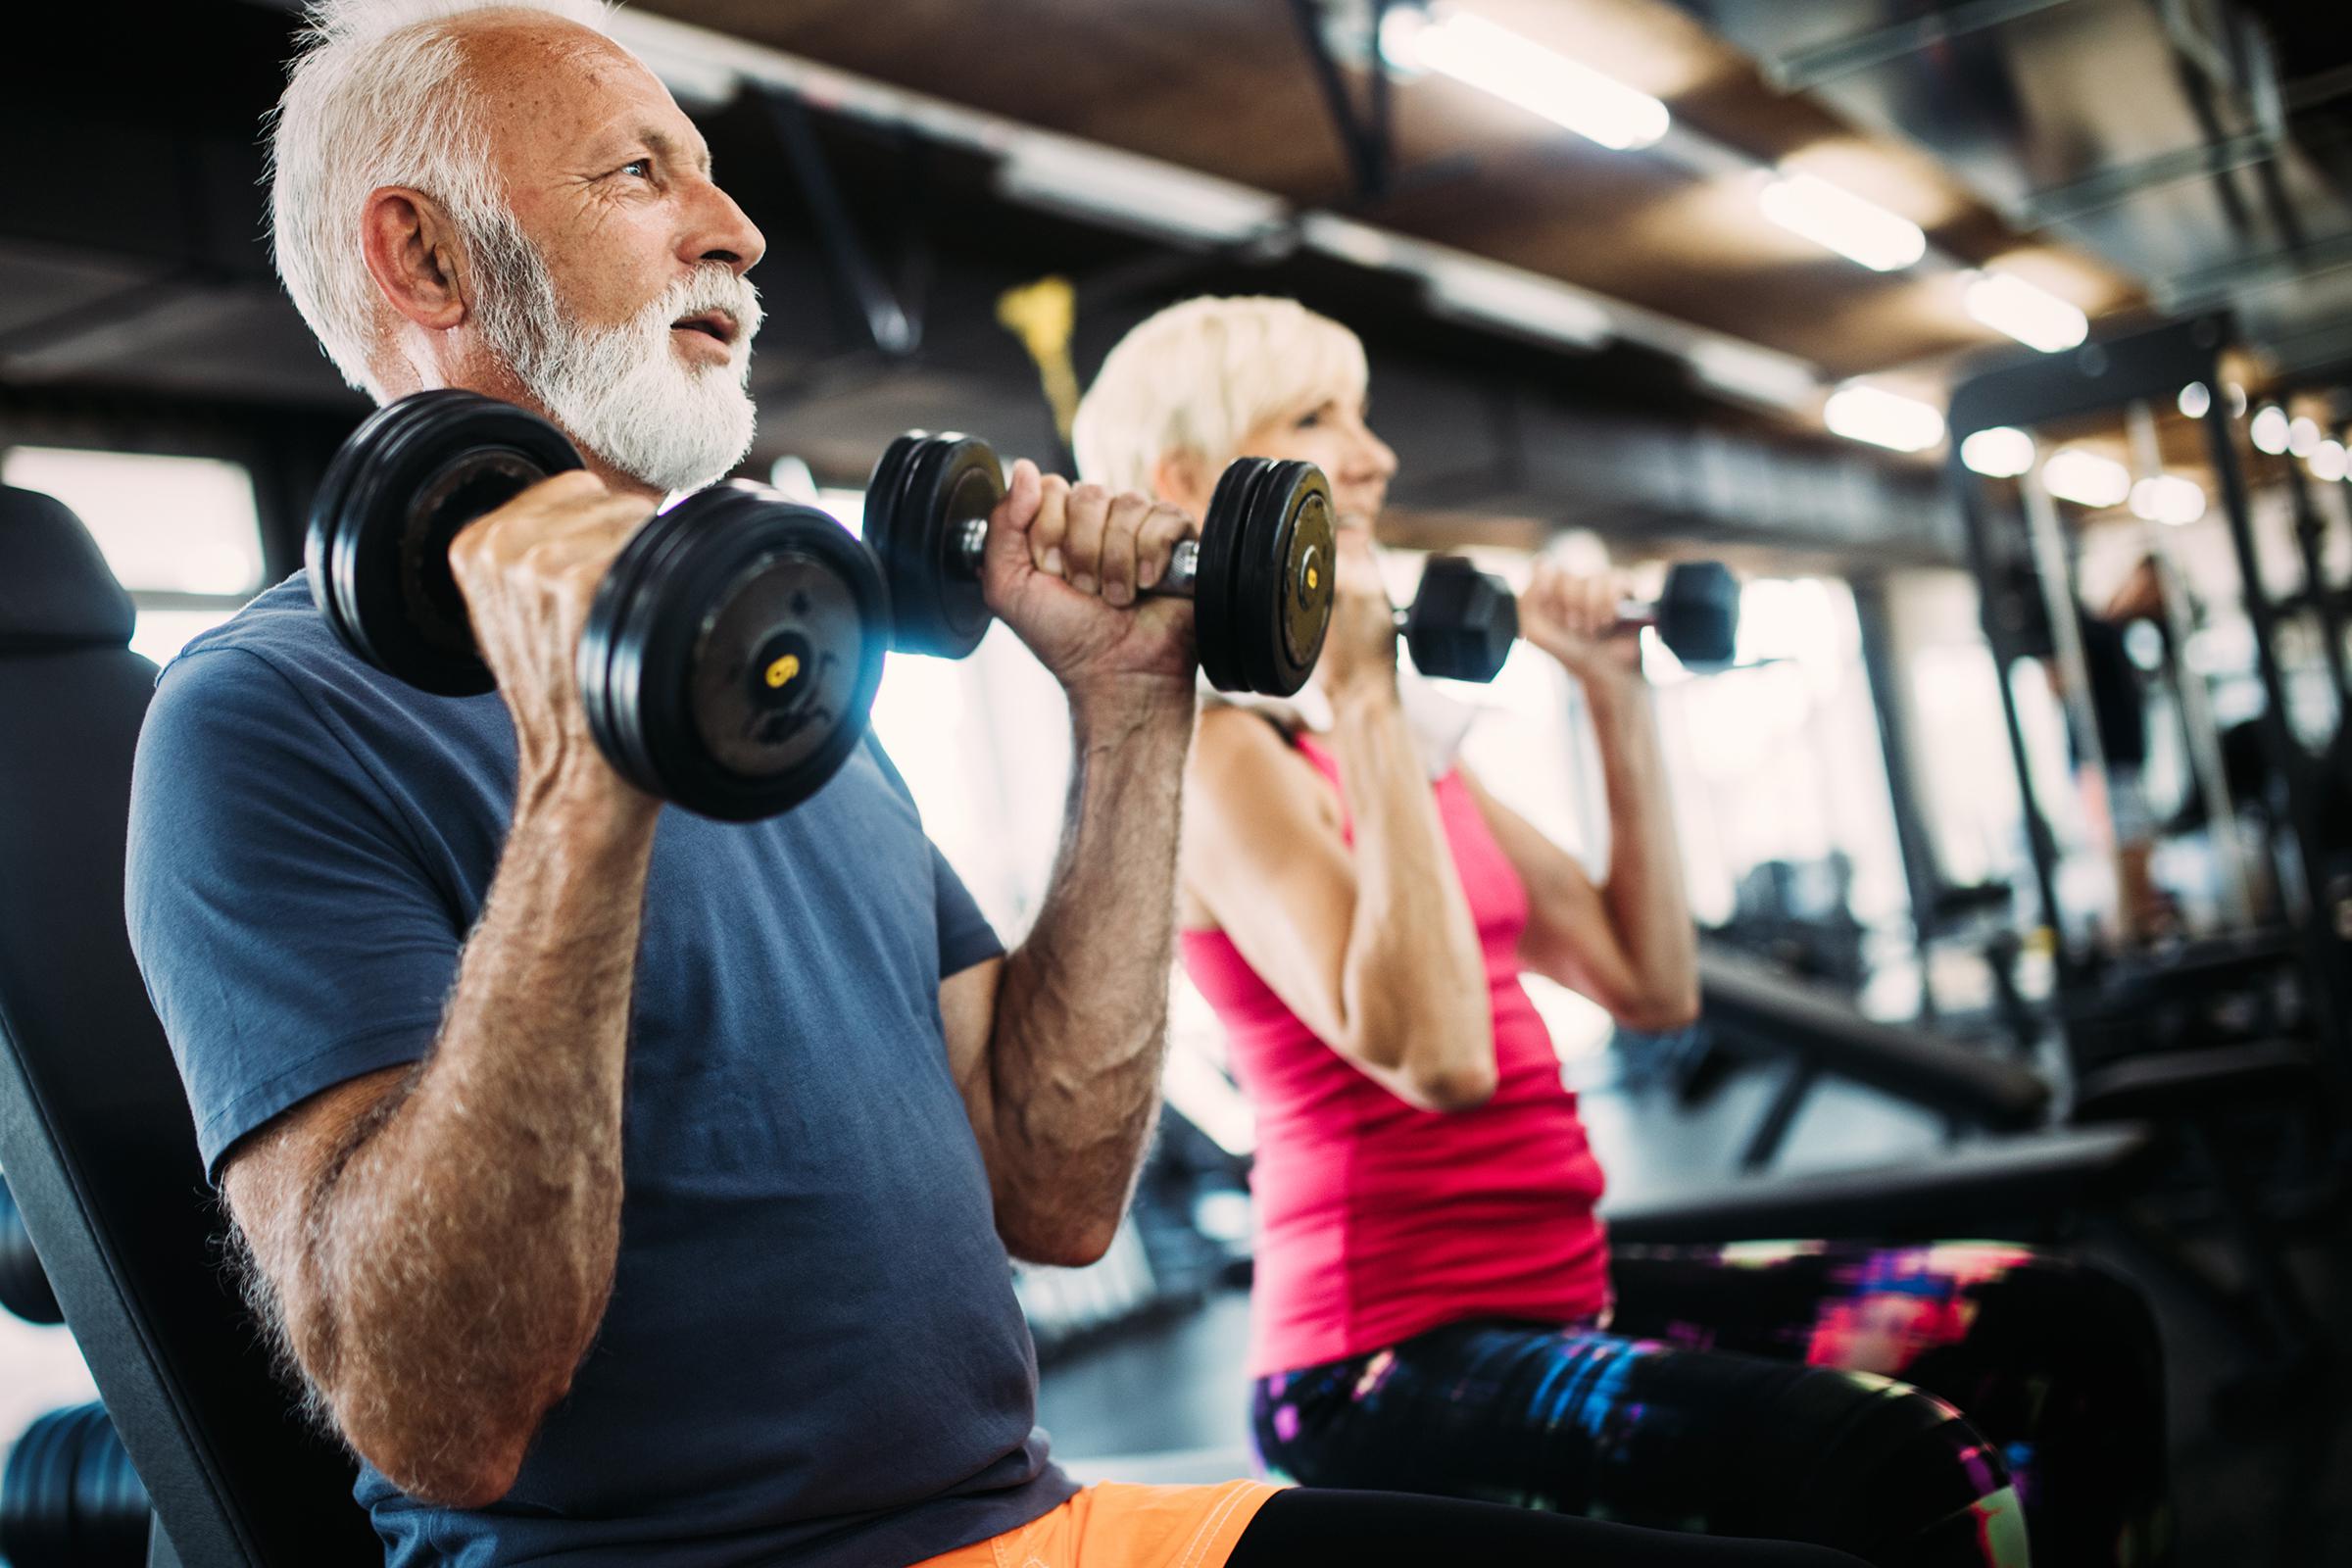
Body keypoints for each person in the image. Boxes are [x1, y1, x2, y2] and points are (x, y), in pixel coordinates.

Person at [123, 6, 1866, 1567]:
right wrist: (593, 767)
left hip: (1032, 1518)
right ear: (424, 258)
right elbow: (439, 1416)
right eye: (638, 171)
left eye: (714, 175)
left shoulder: (774, 678)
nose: (732, 229)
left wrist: (1130, 706)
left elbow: (1054, 1190)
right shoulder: (258, 721)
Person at [1072, 295, 2176, 1568]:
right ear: (1191, 481)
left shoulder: (1393, 752)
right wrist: (1368, 699)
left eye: (1364, 416)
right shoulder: (1219, 757)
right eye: (1319, 419)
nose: (1374, 455)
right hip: (1380, 1362)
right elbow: (1438, 1058)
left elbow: (1644, 982)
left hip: (1558, 1282)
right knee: (1908, 1466)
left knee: (2070, 1326)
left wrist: (1612, 696)